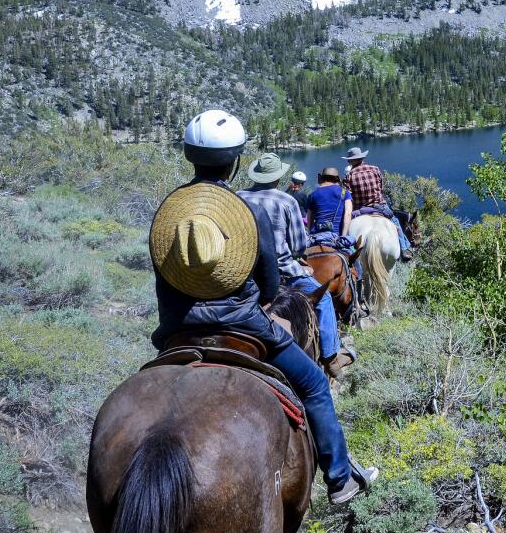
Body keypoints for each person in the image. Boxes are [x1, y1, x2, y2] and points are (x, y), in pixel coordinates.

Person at [150, 110, 376, 504]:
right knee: (315, 385)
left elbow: (163, 280)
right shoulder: (245, 213)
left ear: (189, 156)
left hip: (176, 329)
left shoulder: (170, 216)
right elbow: (270, 283)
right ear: (235, 160)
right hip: (244, 324)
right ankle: (340, 478)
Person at [239, 153, 346, 374]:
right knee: (324, 299)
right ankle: (331, 356)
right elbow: (299, 246)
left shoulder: (238, 197)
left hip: (243, 273)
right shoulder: (286, 201)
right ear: (278, 178)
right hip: (284, 271)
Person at [342, 146, 413, 261]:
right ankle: (404, 249)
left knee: (344, 225)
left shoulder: (348, 176)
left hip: (359, 210)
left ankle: (343, 251)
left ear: (350, 161)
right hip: (380, 207)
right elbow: (381, 189)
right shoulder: (375, 169)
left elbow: (347, 197)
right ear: (362, 158)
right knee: (395, 223)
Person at [306, 166, 352, 239]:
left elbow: (310, 218)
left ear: (322, 178)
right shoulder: (345, 192)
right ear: (337, 179)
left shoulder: (313, 194)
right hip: (336, 235)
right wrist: (343, 236)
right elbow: (348, 214)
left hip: (317, 235)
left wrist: (309, 233)